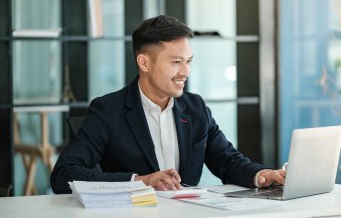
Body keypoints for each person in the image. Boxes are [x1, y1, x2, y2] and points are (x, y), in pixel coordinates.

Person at [50, 15, 285, 194]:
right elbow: (64, 175)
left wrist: (263, 174)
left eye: (188, 62)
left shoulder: (195, 108)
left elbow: (228, 161)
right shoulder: (108, 110)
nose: (185, 72)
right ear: (144, 62)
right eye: (175, 62)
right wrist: (140, 181)